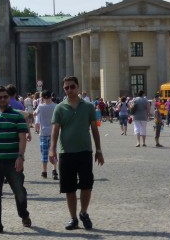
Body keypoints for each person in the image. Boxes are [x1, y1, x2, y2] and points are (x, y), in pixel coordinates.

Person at [49, 76, 104, 231]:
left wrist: (99, 150)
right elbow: (55, 130)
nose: (69, 90)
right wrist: (52, 149)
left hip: (85, 151)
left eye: (72, 87)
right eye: (66, 88)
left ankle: (84, 212)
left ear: (78, 87)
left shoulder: (88, 107)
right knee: (69, 187)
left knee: (87, 185)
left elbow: (94, 129)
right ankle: (73, 217)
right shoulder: (59, 107)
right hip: (66, 153)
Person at [0, 85, 31, 234]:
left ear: (9, 98)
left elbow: (22, 137)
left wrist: (20, 157)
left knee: (19, 192)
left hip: (13, 161)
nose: (3, 99)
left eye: (5, 96)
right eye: (0, 97)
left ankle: (24, 214)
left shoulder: (17, 116)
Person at [33, 90, 57, 180]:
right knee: (53, 151)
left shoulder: (40, 106)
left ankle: (44, 171)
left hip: (43, 132)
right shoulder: (55, 106)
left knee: (44, 153)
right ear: (51, 96)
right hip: (53, 132)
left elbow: (34, 114)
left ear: (42, 97)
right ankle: (54, 170)